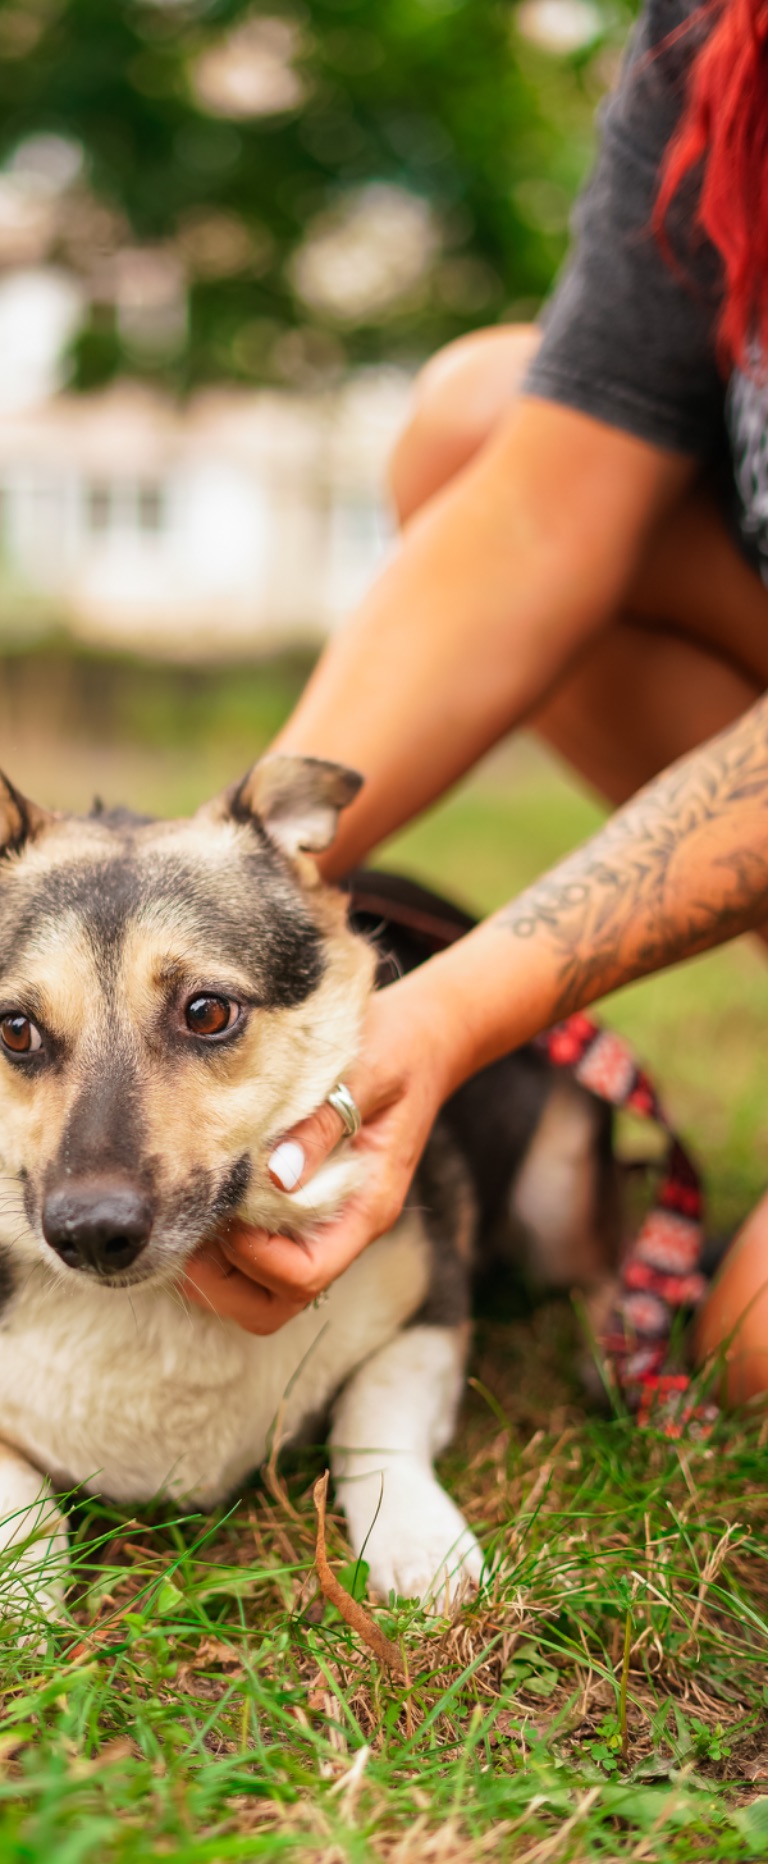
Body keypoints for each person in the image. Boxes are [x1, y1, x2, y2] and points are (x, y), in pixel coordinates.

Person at [183, 0, 768, 1404]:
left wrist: (443, 1019)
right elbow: (531, 519)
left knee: (753, 1357)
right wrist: (221, 878)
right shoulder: (719, 47)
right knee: (480, 419)